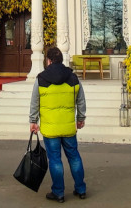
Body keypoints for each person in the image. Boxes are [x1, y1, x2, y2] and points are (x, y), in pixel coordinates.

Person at [30, 47, 87, 203]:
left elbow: (35, 101)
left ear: (48, 61)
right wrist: (80, 117)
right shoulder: (73, 78)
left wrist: (33, 121)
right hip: (69, 127)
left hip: (50, 128)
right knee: (74, 157)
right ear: (62, 60)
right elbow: (81, 100)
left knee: (55, 160)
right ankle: (81, 189)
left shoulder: (41, 79)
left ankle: (59, 193)